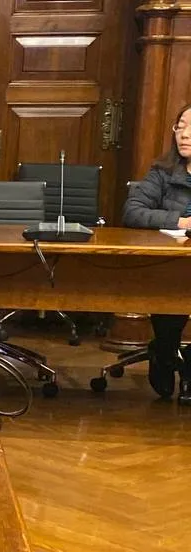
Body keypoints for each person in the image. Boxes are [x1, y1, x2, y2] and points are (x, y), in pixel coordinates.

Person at [122, 102, 191, 399]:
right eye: (181, 126)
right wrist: (180, 220)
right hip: (170, 265)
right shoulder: (162, 172)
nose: (184, 134)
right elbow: (132, 212)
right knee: (171, 291)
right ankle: (163, 352)